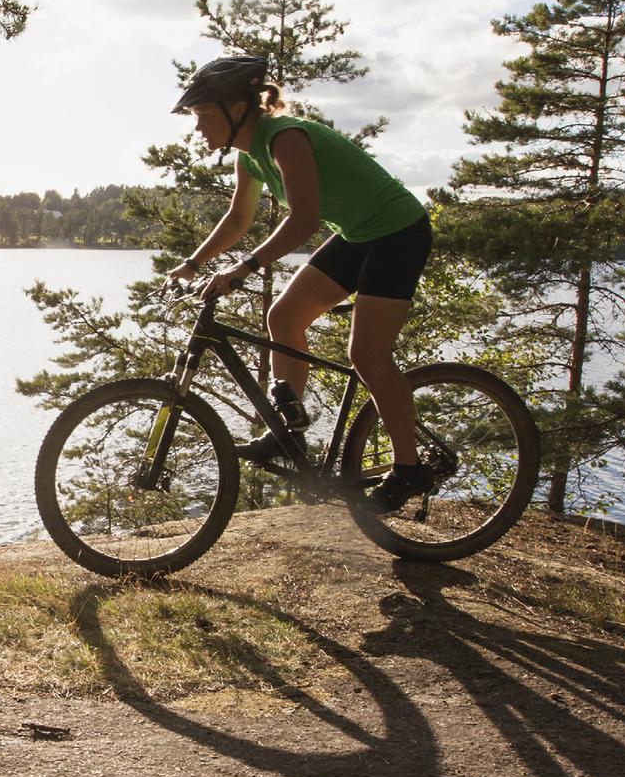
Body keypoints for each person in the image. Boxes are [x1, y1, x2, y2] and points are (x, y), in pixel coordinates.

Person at [165, 54, 434, 514]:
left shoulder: (285, 138)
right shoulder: (250, 155)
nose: (198, 129)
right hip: (358, 234)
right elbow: (238, 219)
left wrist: (242, 269)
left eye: (205, 117)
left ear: (237, 108)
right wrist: (193, 262)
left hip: (398, 232)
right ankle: (287, 431)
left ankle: (410, 468)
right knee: (283, 316)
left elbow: (305, 219)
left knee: (366, 354)